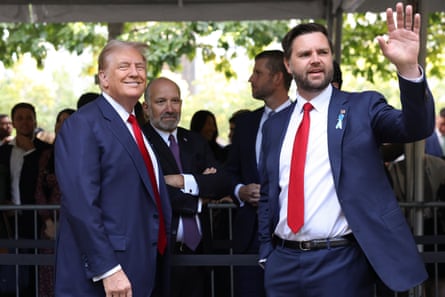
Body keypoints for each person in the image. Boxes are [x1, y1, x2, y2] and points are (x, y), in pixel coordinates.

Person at [258, 3, 433, 297]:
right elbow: (268, 193)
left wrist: (407, 68)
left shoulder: (362, 107)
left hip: (341, 263)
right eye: (305, 54)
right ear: (288, 65)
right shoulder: (275, 126)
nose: (315, 60)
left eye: (322, 52)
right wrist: (267, 252)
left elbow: (416, 127)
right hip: (283, 265)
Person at [54, 40, 172, 297]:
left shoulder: (134, 127)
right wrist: (108, 269)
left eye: (140, 66)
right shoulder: (84, 125)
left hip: (142, 264)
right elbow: (81, 204)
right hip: (107, 275)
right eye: (124, 66)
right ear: (103, 78)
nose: (135, 72)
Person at [142, 77, 231, 297]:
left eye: (175, 101)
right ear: (146, 108)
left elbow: (221, 182)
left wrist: (180, 181)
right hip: (159, 255)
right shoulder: (139, 142)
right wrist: (200, 198)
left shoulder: (195, 141)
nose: (170, 108)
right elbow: (150, 192)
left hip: (199, 254)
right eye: (161, 101)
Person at [224, 49, 292, 297]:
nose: (251, 79)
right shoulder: (245, 124)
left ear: (277, 78)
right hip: (249, 235)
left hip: (291, 233)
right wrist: (239, 190)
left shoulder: (303, 119)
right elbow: (229, 171)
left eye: (257, 73)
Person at [0, 102, 52, 296]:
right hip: (9, 218)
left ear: (35, 120)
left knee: (37, 265)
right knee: (13, 268)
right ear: (13, 122)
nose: (24, 122)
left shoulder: (45, 150)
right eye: (20, 118)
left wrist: (31, 151)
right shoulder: (3, 152)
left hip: (39, 218)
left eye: (29, 117)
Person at [35, 108, 75, 297]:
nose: (62, 125)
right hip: (51, 224)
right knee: (49, 272)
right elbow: (39, 190)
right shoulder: (47, 155)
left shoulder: (85, 153)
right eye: (59, 121)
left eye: (67, 121)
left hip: (76, 222)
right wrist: (48, 221)